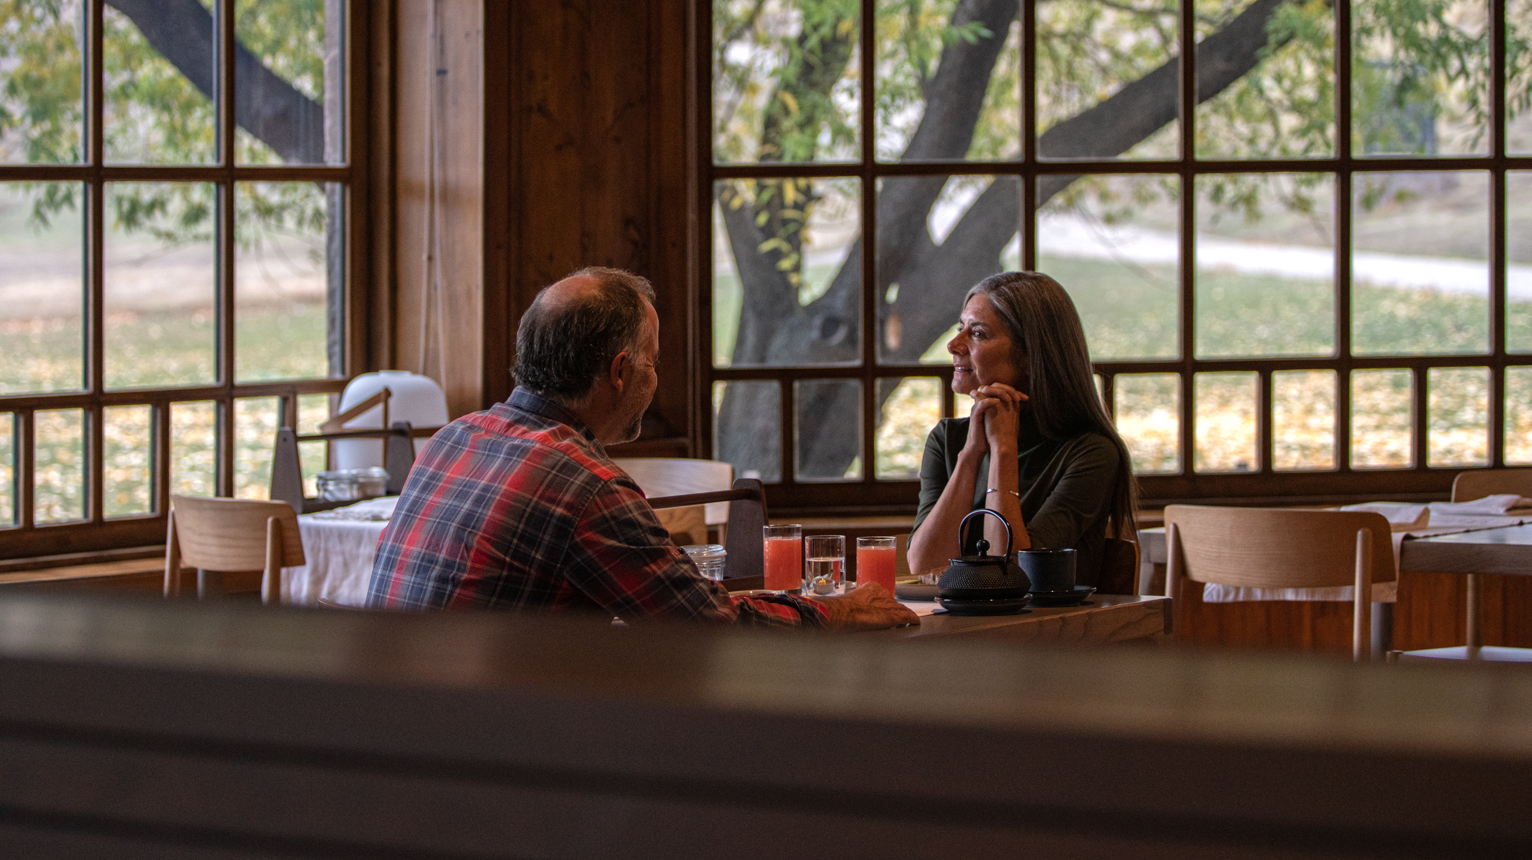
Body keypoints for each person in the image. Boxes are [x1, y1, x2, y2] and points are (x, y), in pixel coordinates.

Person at [367, 267, 918, 630]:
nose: (656, 378)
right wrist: (833, 612)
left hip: (393, 736)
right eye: (652, 362)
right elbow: (707, 628)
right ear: (620, 371)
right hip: (484, 762)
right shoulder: (583, 484)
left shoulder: (454, 438)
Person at [906, 271, 1137, 587]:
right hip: (963, 632)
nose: (953, 344)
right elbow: (925, 564)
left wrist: (1003, 449)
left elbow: (1013, 574)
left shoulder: (1091, 453)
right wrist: (971, 455)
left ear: (1031, 355)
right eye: (961, 328)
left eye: (978, 333)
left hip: (1043, 633)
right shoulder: (948, 439)